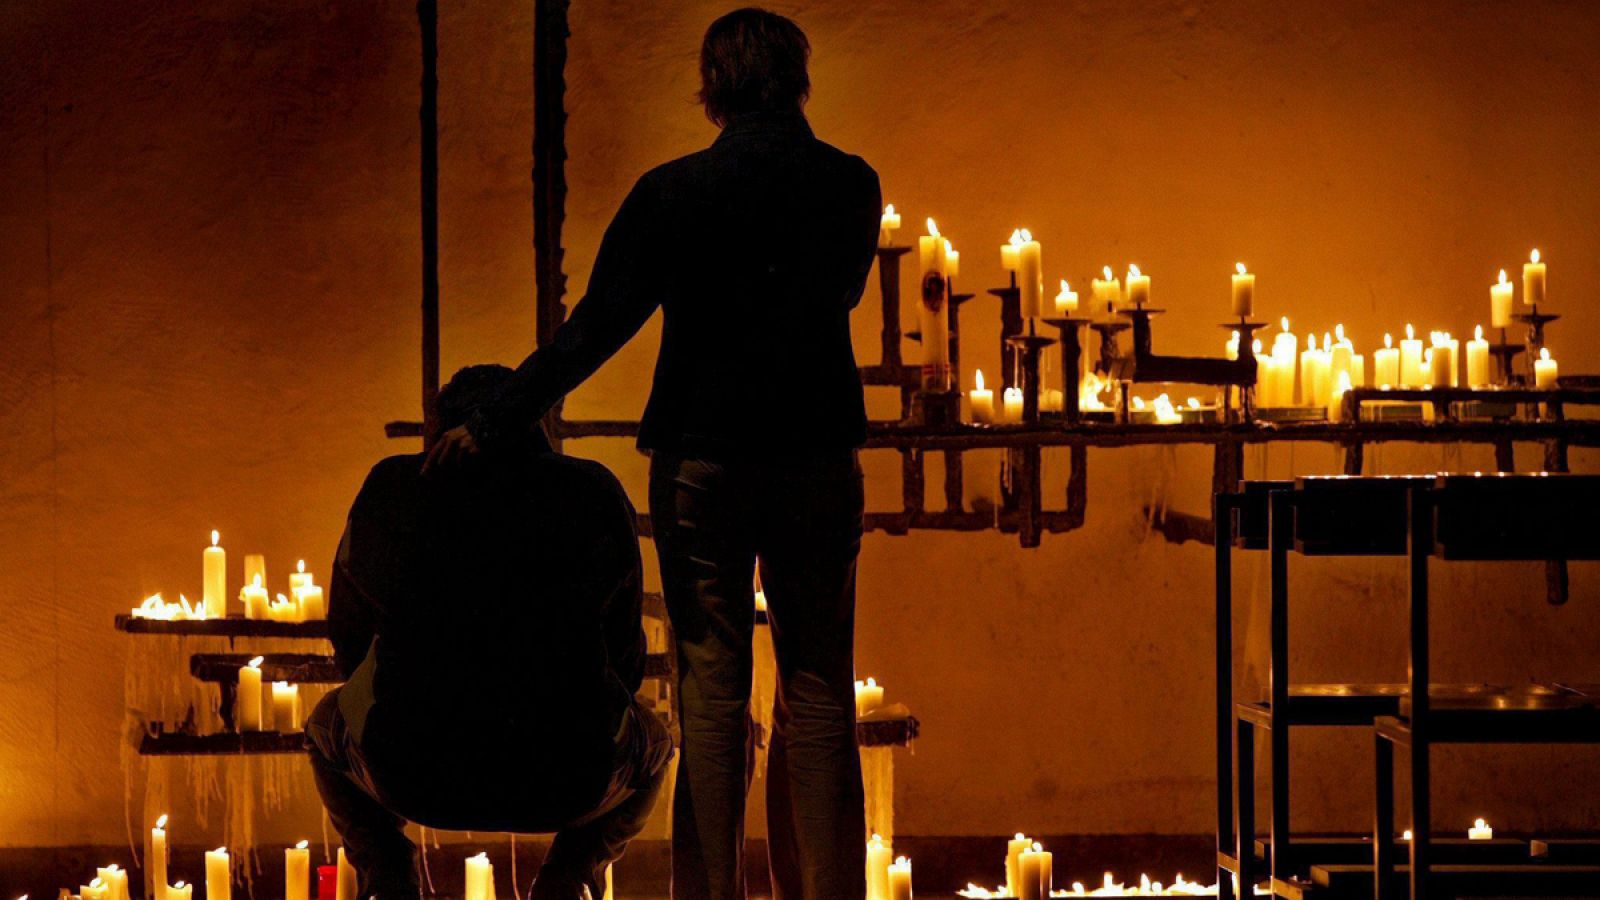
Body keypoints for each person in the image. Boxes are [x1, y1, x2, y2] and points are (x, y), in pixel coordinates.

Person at [425, 9, 881, 898]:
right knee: (820, 690)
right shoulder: (850, 185)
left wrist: (494, 419)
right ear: (799, 81)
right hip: (817, 455)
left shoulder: (672, 193)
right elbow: (847, 289)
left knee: (712, 695)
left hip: (702, 463)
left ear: (710, 93)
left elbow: (594, 329)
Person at [310, 364, 673, 900]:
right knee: (658, 743)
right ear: (536, 416)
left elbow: (348, 633)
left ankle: (388, 871)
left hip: (410, 770)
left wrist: (401, 692)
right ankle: (570, 875)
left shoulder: (392, 487)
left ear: (441, 427)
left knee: (324, 725)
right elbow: (624, 653)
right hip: (570, 774)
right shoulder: (590, 491)